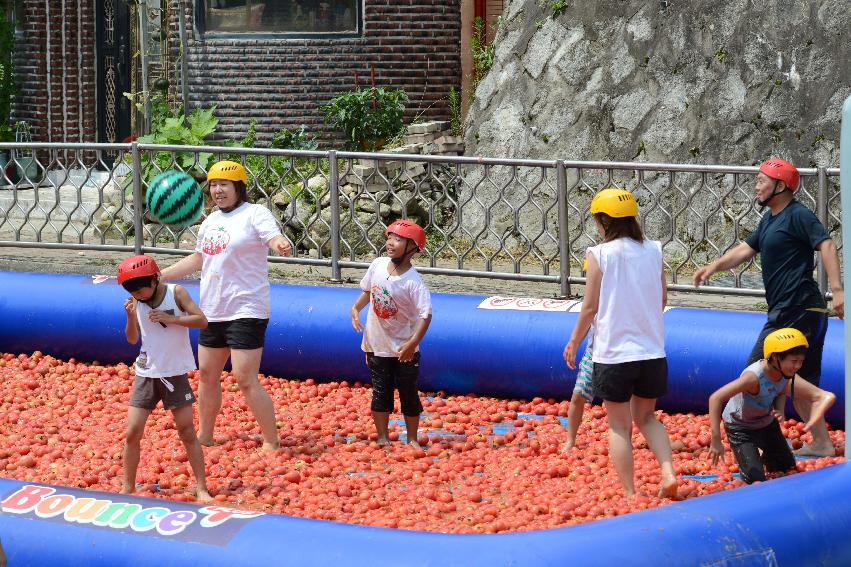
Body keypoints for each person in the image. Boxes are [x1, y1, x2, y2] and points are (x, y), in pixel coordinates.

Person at [693, 158, 844, 457]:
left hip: (797, 308)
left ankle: (762, 442)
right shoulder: (770, 220)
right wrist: (714, 267)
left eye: (762, 181)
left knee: (758, 372)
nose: (756, 186)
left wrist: (838, 291)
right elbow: (746, 250)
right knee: (796, 380)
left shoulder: (797, 215)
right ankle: (822, 443)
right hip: (796, 311)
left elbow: (826, 244)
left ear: (781, 186)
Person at [160, 160, 292, 451]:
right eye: (214, 185)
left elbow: (272, 237)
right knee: (207, 376)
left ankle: (271, 440)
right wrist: (161, 275)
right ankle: (205, 435)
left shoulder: (255, 213)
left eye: (224, 185)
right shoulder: (209, 221)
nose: (218, 190)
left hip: (247, 308)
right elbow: (198, 259)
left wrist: (280, 243)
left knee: (245, 378)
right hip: (212, 309)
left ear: (239, 188)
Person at [563, 188, 678, 499]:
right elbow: (663, 298)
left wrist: (574, 340)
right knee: (647, 418)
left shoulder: (599, 254)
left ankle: (630, 492)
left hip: (614, 354)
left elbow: (590, 306)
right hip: (652, 351)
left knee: (619, 427)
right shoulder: (654, 249)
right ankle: (667, 471)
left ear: (603, 221)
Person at [117, 254, 211, 502]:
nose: (139, 294)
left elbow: (202, 320)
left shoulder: (176, 292)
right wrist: (129, 316)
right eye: (133, 291)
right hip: (146, 373)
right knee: (132, 433)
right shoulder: (136, 302)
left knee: (187, 431)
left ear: (155, 279)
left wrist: (172, 318)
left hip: (174, 373)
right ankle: (128, 487)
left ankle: (202, 488)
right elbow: (131, 339)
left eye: (141, 289)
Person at [708, 328, 836, 483]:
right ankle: (749, 455)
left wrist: (779, 409)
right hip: (740, 427)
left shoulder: (785, 373)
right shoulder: (753, 378)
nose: (797, 367)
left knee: (785, 467)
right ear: (775, 358)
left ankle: (763, 455)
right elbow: (715, 398)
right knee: (755, 478)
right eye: (794, 361)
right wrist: (715, 440)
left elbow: (783, 388)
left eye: (801, 362)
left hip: (766, 422)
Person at [350, 219, 433, 447]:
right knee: (380, 391)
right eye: (390, 237)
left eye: (398, 240)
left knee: (408, 392)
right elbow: (369, 290)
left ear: (413, 249)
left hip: (403, 348)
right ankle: (383, 437)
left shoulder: (413, 282)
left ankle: (413, 439)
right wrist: (356, 308)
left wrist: (413, 341)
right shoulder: (377, 264)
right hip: (376, 344)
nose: (391, 243)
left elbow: (425, 315)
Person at [564, 259, 595, 452]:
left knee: (624, 405)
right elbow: (587, 320)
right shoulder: (594, 299)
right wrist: (574, 343)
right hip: (594, 354)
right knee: (577, 396)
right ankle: (570, 439)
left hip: (616, 357)